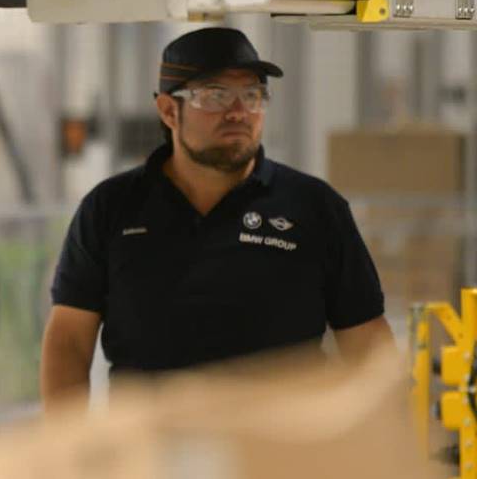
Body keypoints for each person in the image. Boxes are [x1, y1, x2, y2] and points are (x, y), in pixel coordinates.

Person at [40, 27, 394, 407]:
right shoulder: (110, 208)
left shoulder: (315, 208)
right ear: (168, 110)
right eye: (215, 95)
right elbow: (70, 341)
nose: (239, 111)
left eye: (253, 95)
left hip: (283, 453)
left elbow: (368, 345)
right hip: (152, 453)